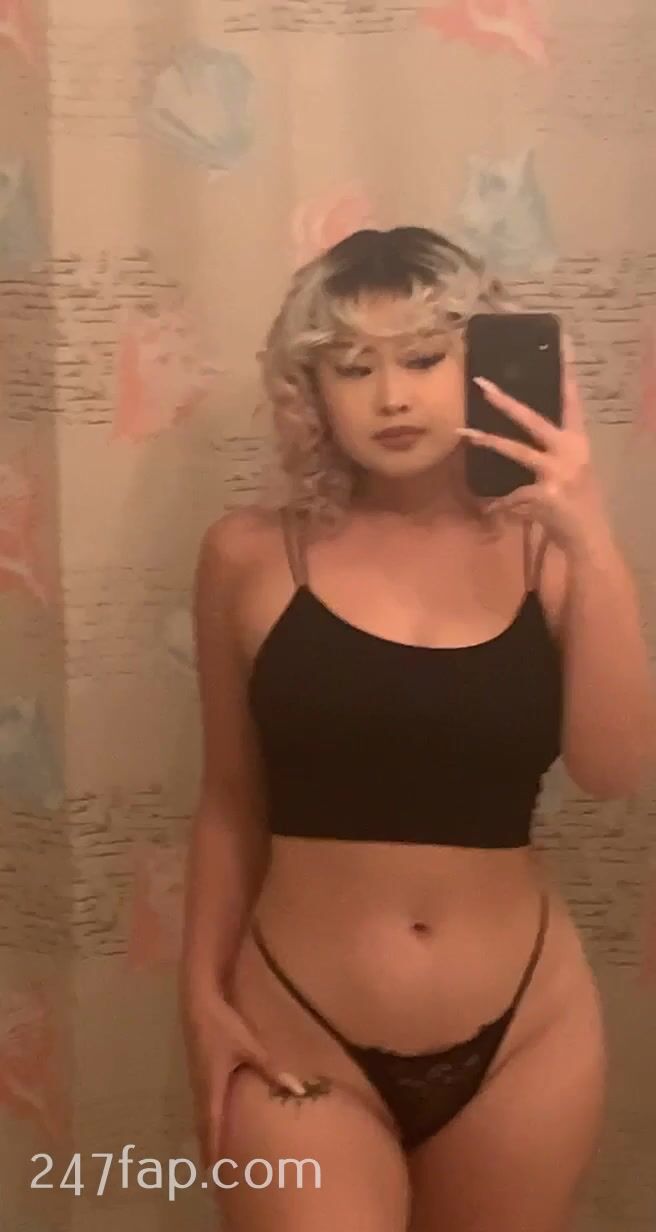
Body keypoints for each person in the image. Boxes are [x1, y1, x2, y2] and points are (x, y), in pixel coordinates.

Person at [179, 227, 655, 1232]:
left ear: (477, 364)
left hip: (526, 1037)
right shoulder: (248, 555)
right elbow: (228, 799)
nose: (392, 396)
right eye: (355, 367)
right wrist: (199, 999)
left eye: (424, 358)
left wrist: (589, 532)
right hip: (298, 1028)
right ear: (312, 390)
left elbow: (616, 769)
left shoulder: (547, 552)